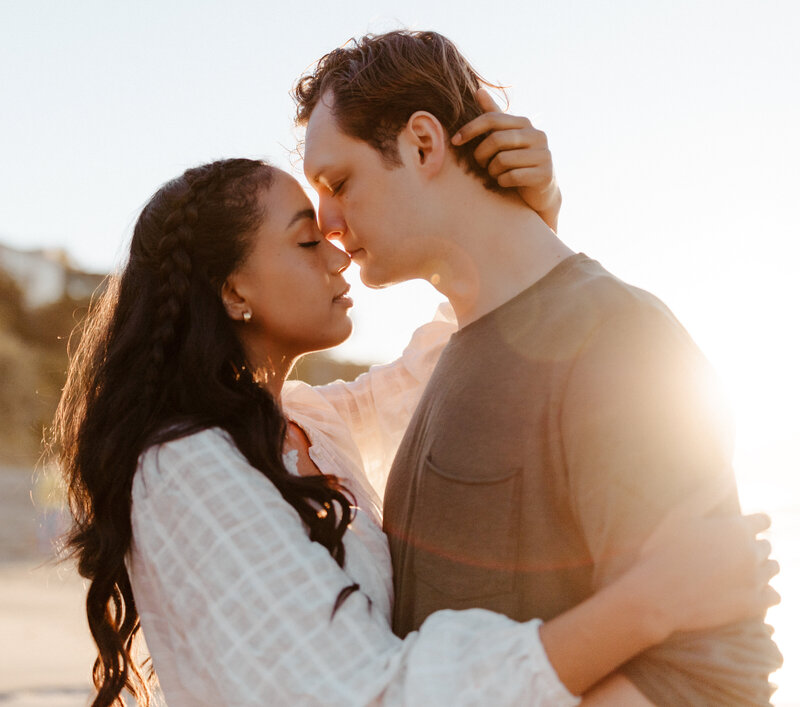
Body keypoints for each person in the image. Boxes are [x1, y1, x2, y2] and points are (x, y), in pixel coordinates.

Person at [50, 151, 777, 707]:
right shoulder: (187, 468)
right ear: (234, 288)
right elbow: (364, 695)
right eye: (307, 243)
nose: (338, 250)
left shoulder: (304, 422)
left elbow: (441, 363)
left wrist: (523, 222)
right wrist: (651, 602)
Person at [294, 30, 784, 705]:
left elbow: (715, 672)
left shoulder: (616, 335)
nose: (328, 225)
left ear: (423, 144)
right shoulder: (450, 356)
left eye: (339, 182)